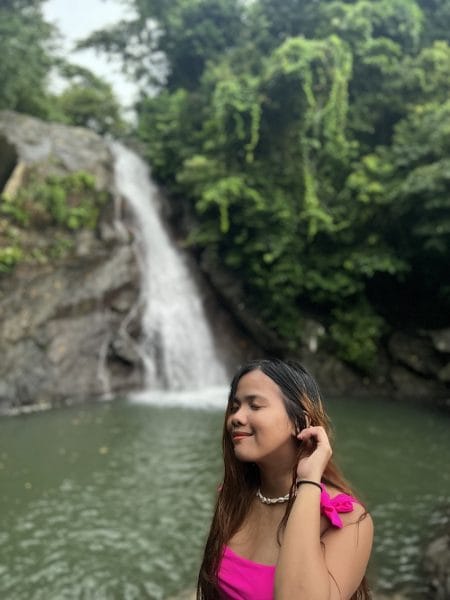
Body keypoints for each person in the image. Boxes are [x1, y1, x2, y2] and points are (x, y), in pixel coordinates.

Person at [197, 359, 374, 599]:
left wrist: (309, 481)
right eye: (235, 406)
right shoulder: (234, 497)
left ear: (300, 422)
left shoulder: (348, 519)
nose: (236, 418)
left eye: (255, 406)